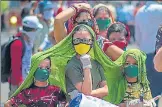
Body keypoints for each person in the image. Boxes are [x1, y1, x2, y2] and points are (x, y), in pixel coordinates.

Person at [54, 3, 124, 61]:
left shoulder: (100, 43)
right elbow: (58, 20)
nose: (86, 23)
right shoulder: (67, 42)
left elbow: (126, 58)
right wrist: (78, 7)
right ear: (73, 24)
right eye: (82, 20)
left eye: (89, 20)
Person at [65, 25, 108, 100]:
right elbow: (86, 92)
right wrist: (86, 66)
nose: (81, 43)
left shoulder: (96, 63)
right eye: (77, 40)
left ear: (92, 42)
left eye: (85, 40)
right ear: (72, 43)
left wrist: (89, 94)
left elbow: (105, 89)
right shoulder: (71, 65)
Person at [8, 16, 43, 97]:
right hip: (18, 84)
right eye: (36, 29)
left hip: (26, 81)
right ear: (31, 30)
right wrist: (21, 84)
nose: (37, 32)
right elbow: (15, 66)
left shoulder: (29, 41)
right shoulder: (17, 44)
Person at [135, 1, 162, 97]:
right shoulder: (160, 9)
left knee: (150, 93)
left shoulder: (140, 12)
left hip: (145, 56)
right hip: (159, 54)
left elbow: (137, 38)